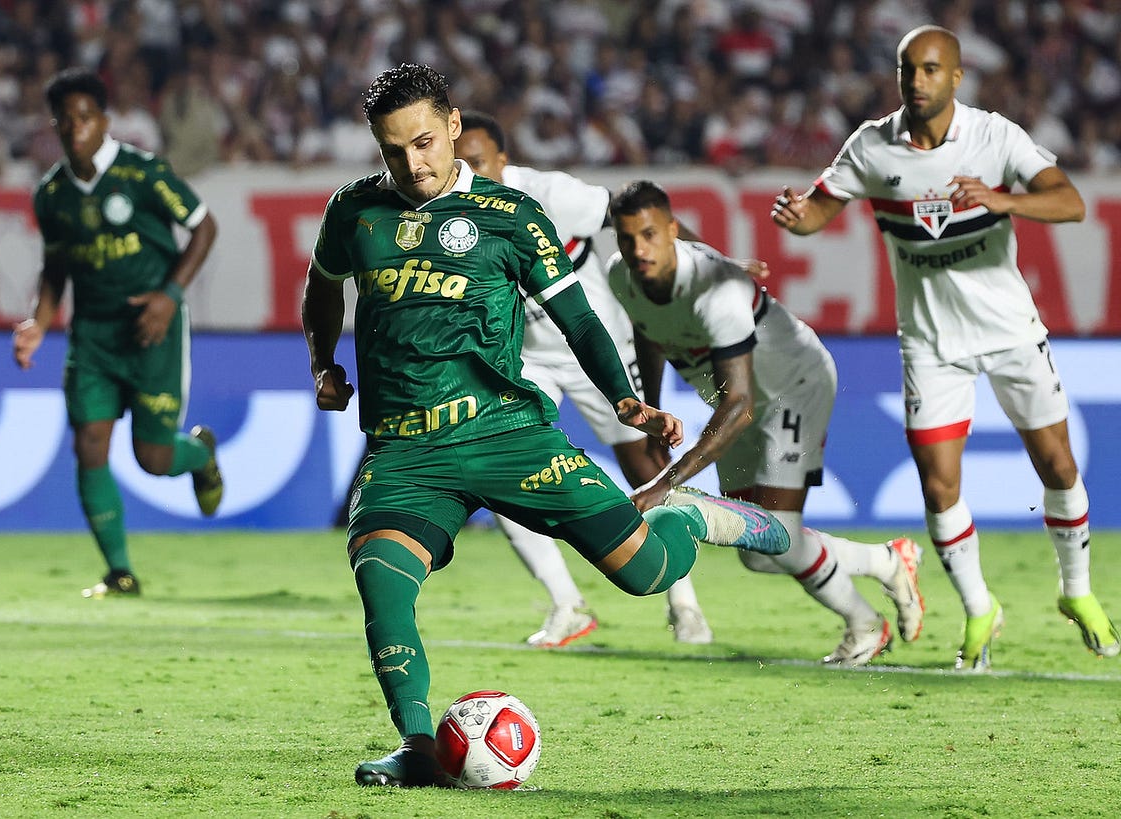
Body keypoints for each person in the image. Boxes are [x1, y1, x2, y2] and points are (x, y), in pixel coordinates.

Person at [302, 63, 790, 789]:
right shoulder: (354, 212)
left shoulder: (512, 215)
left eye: (426, 143)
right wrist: (323, 363)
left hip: (506, 432)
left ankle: (699, 518)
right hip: (407, 448)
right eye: (394, 149)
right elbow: (321, 290)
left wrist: (626, 399)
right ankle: (416, 744)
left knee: (645, 573)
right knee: (380, 575)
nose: (414, 164)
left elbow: (580, 319)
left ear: (456, 127)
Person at [770, 25, 1118, 670]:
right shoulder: (872, 146)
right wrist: (798, 216)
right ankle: (980, 607)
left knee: (1060, 469)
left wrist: (1002, 198)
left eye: (932, 70)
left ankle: (1077, 591)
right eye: (909, 70)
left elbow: (1069, 202)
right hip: (930, 344)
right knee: (938, 487)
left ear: (957, 77)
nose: (919, 81)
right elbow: (820, 208)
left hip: (1012, 332)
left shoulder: (995, 137)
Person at [610, 180, 926, 667]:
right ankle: (886, 561)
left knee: (776, 530)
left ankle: (865, 625)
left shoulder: (715, 295)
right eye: (628, 239)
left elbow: (739, 407)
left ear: (673, 231)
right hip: (739, 404)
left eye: (650, 235)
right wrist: (650, 414)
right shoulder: (622, 276)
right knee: (757, 546)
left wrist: (663, 483)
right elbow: (648, 331)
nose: (639, 249)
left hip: (791, 388)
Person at [452, 110, 712, 647]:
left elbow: (644, 221)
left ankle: (685, 603)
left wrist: (710, 264)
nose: (468, 173)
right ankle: (567, 605)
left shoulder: (554, 195)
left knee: (645, 463)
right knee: (504, 469)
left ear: (505, 160)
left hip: (601, 346)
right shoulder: (453, 216)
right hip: (526, 361)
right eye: (461, 164)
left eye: (478, 162)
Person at [13, 67, 224, 599]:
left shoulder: (144, 174)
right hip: (94, 339)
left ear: (104, 120)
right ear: (56, 126)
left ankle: (199, 453)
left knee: (153, 460)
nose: (76, 126)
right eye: (65, 118)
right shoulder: (52, 195)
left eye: (86, 116)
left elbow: (204, 226)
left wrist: (169, 296)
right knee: (89, 443)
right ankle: (119, 572)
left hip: (153, 332)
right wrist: (38, 323)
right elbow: (55, 266)